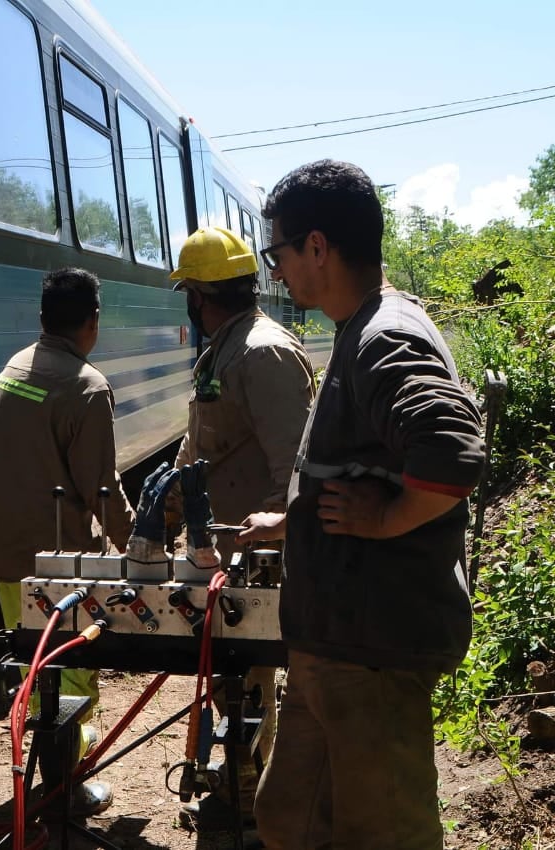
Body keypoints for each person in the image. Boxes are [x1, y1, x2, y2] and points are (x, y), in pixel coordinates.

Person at [236, 159, 486, 849]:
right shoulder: (358, 326)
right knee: (289, 817)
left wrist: (386, 518)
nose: (276, 271)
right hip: (335, 642)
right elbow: (371, 457)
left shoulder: (384, 336)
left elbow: (451, 449)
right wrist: (296, 518)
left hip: (372, 648)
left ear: (317, 246)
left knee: (383, 835)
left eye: (278, 253)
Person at [166, 227, 315, 835]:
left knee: (251, 684)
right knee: (233, 681)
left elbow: (294, 472)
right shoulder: (227, 348)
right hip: (226, 553)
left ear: (198, 295)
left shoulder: (263, 352)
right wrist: (164, 512)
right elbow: (202, 443)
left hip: (257, 560)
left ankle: (253, 805)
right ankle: (237, 788)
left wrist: (273, 546)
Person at [0, 266, 135, 817]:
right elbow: (103, 488)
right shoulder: (86, 386)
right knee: (71, 677)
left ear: (43, 317)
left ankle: (44, 778)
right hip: (61, 564)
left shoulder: (10, 371)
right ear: (92, 322)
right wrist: (139, 547)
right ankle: (65, 788)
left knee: (29, 669)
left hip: (6, 555)